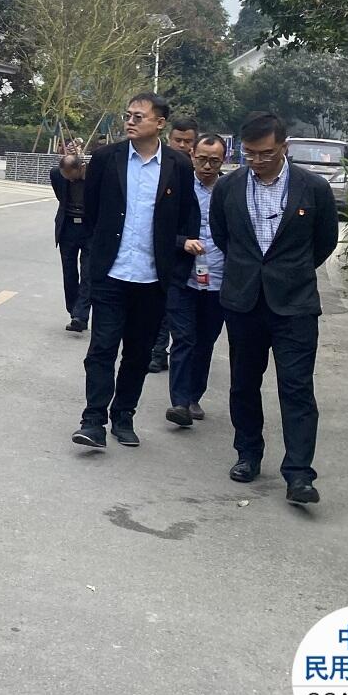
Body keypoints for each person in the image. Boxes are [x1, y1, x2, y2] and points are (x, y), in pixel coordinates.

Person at [210, 112, 339, 505]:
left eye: (265, 153)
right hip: (244, 302)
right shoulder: (229, 187)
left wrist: (289, 272)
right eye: (249, 153)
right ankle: (247, 454)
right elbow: (222, 236)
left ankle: (299, 474)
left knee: (297, 388)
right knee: (244, 383)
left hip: (295, 305)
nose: (257, 161)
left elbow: (325, 242)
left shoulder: (312, 188)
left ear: (284, 146)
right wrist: (251, 272)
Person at [71, 92, 201, 451]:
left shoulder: (178, 165)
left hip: (153, 278)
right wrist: (97, 255)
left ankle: (123, 416)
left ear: (160, 123)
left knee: (139, 353)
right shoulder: (106, 158)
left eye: (138, 116)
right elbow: (92, 211)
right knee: (102, 348)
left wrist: (175, 266)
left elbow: (187, 218)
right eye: (127, 115)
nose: (130, 121)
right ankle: (93, 420)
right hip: (112, 272)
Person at [165, 133, 228, 427]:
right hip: (183, 278)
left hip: (219, 280)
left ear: (223, 160)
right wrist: (182, 242)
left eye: (214, 161)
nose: (207, 166)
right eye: (202, 159)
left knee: (205, 342)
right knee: (184, 339)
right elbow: (159, 228)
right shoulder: (177, 187)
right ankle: (179, 402)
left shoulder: (231, 190)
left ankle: (193, 396)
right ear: (192, 156)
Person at [148, 117, 200, 373]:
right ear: (169, 139)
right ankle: (158, 352)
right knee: (163, 307)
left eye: (188, 141)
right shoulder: (159, 173)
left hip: (202, 259)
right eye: (178, 140)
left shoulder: (207, 176)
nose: (182, 145)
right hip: (167, 253)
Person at [51, 153, 92, 333]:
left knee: (88, 273)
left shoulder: (95, 175)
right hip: (67, 228)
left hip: (89, 229)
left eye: (72, 177)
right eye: (66, 177)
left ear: (81, 168)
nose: (70, 180)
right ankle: (73, 311)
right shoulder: (57, 175)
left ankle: (81, 315)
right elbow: (60, 195)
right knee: (69, 272)